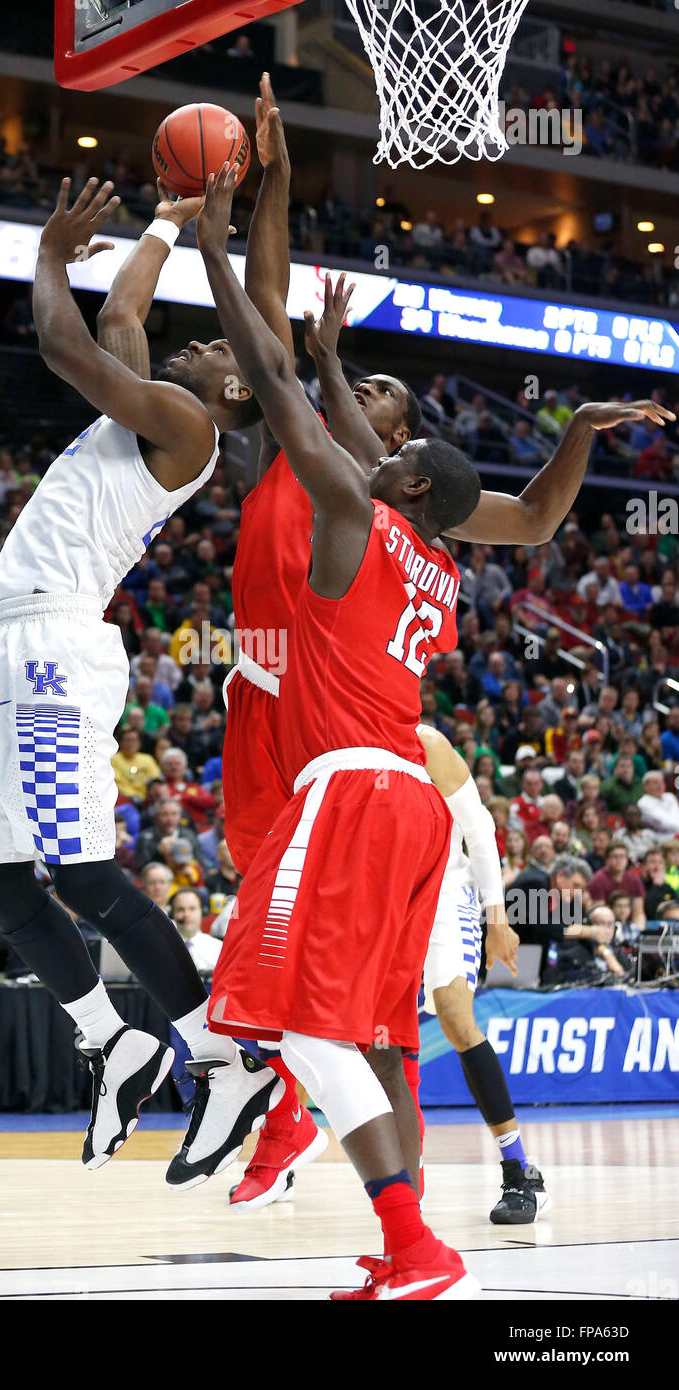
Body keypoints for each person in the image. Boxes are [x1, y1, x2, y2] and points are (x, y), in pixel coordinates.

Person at [218, 75, 673, 1219]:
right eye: (364, 379)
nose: (366, 387)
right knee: (325, 977)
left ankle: (311, 1127)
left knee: (329, 981)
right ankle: (348, 1157)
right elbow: (276, 316)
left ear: (401, 456)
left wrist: (246, 212)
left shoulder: (352, 485)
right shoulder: (351, 471)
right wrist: (275, 186)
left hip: (329, 733)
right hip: (280, 699)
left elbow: (525, 517)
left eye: (380, 390)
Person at [0, 176, 283, 1184]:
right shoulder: (150, 417)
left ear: (234, 393)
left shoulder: (189, 428)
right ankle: (113, 1040)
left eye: (219, 348)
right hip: (4, 643)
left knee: (86, 871)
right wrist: (165, 224)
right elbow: (121, 317)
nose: (201, 342)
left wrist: (48, 256)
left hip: (55, 646)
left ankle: (223, 1061)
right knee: (0, 886)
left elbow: (68, 345)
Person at [198, 163, 482, 1300]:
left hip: (348, 782)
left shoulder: (355, 509)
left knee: (292, 1016)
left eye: (390, 442)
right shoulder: (443, 569)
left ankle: (411, 1238)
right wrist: (318, 354)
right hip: (391, 789)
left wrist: (213, 246)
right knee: (351, 1026)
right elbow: (291, 369)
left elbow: (264, 371)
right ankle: (399, 1232)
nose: (369, 442)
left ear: (401, 471)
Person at [416, 726, 547, 1223]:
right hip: (388, 904)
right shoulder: (344, 744)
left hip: (448, 894)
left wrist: (498, 918)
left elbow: (479, 827)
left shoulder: (427, 743)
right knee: (375, 1033)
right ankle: (403, 1171)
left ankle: (519, 1171)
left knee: (454, 1016)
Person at [170, 888, 222, 974]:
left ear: (202, 911)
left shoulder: (218, 948)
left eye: (192, 908)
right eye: (180, 909)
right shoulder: (162, 948)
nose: (186, 914)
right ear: (172, 914)